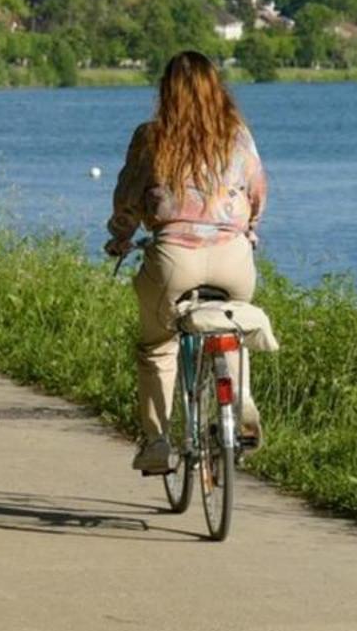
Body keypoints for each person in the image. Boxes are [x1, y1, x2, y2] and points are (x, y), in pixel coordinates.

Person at [105, 51, 268, 474]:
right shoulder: (238, 136)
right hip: (234, 259)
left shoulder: (151, 138)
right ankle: (241, 401)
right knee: (230, 326)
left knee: (157, 346)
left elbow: (128, 198)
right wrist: (249, 228)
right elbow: (256, 192)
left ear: (166, 92)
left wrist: (120, 237)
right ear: (218, 90)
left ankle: (157, 441)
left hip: (174, 259)